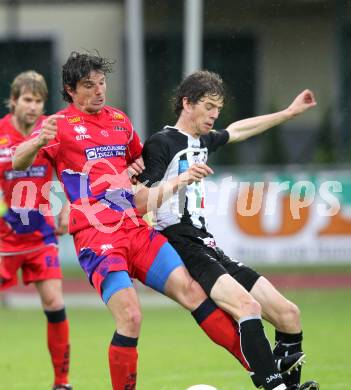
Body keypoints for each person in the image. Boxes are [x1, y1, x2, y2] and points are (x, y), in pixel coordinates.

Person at [13, 52, 303, 390]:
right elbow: (19, 162)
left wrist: (136, 173)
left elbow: (141, 169)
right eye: (88, 86)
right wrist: (37, 141)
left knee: (194, 292)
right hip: (96, 234)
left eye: (101, 83)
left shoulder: (119, 121)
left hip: (136, 228)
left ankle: (267, 377)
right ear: (70, 90)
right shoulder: (58, 125)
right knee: (131, 317)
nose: (98, 91)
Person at [135, 70, 319, 390]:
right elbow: (139, 201)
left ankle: (283, 382)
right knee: (247, 307)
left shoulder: (203, 141)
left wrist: (289, 113)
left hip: (207, 243)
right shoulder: (162, 143)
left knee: (289, 315)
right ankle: (276, 386)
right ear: (187, 103)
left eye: (217, 109)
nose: (214, 115)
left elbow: (238, 130)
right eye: (208, 106)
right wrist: (179, 179)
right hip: (180, 242)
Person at [0, 71, 72, 390]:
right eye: (27, 100)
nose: (33, 107)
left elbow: (67, 172)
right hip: (3, 239)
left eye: (39, 101)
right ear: (13, 101)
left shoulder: (51, 131)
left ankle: (62, 382)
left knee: (55, 303)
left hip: (41, 236)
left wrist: (67, 208)